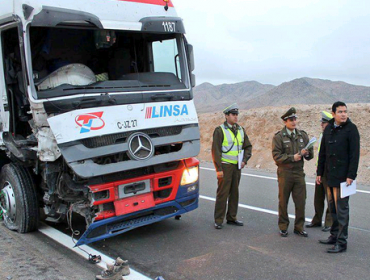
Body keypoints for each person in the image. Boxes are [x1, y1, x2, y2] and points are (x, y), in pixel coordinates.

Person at [317, 101, 360, 253]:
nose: (343, 114)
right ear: (333, 114)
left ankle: (342, 242)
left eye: (345, 111)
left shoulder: (351, 129)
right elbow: (322, 153)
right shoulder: (328, 129)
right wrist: (319, 173)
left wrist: (351, 175)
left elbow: (355, 155)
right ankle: (334, 236)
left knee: (342, 210)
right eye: (340, 112)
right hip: (329, 176)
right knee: (332, 209)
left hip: (343, 178)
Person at [272, 107, 314, 237]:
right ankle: (283, 226)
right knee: (283, 201)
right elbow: (277, 156)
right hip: (285, 173)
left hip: (298, 173)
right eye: (291, 119)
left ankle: (299, 227)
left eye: (295, 119)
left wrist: (307, 153)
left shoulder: (302, 135)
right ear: (285, 121)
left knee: (301, 201)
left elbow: (310, 155)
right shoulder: (279, 137)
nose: (294, 122)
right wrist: (292, 157)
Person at [212, 103, 252, 229]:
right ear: (226, 116)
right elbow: (216, 151)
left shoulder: (240, 130)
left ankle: (232, 218)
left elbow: (248, 146)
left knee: (235, 193)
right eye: (233, 114)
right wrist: (218, 169)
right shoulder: (220, 130)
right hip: (225, 166)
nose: (235, 117)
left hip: (237, 167)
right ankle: (218, 220)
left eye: (236, 115)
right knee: (223, 193)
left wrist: (245, 160)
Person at [306, 111, 333, 232]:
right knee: (318, 197)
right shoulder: (323, 135)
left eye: (324, 122)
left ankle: (329, 222)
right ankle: (317, 220)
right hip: (321, 171)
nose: (321, 124)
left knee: (330, 198)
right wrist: (319, 172)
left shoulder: (334, 135)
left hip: (330, 172)